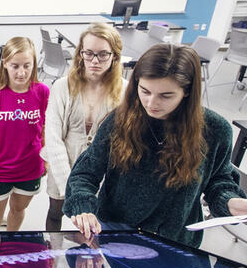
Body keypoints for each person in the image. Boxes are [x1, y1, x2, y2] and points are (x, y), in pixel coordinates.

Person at [63, 43, 247, 247]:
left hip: (175, 240)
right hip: (116, 234)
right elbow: (85, 173)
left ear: (187, 91)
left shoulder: (215, 130)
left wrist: (231, 202)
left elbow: (218, 181)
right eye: (145, 91)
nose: (151, 103)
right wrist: (83, 206)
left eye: (165, 96)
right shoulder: (119, 121)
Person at [44, 23, 127, 231]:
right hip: (63, 164)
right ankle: (50, 259)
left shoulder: (126, 91)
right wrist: (70, 187)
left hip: (102, 172)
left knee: (95, 223)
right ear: (80, 53)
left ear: (115, 56)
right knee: (55, 212)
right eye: (88, 53)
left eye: (102, 54)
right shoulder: (63, 86)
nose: (94, 61)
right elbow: (53, 138)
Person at [0, 37, 49, 231]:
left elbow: (44, 128)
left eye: (27, 65)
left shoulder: (42, 92)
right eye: (15, 66)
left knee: (17, 211)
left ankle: (10, 249)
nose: (21, 72)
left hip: (30, 169)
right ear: (5, 63)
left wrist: (46, 158)